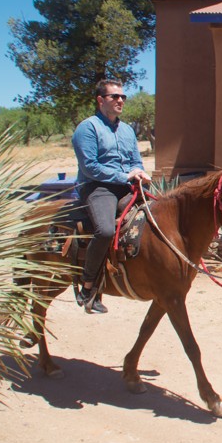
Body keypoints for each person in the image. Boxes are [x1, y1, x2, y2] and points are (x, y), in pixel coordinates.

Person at [71, 79, 151, 314]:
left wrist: (138, 172)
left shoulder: (127, 130)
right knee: (105, 230)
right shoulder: (87, 128)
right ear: (100, 100)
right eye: (114, 97)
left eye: (123, 97)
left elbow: (135, 160)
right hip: (97, 187)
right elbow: (90, 167)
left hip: (126, 185)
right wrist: (125, 176)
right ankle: (87, 288)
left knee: (157, 214)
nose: (120, 101)